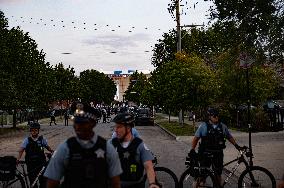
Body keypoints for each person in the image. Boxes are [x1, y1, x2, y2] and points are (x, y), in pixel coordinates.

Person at [44, 102, 122, 188]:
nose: (78, 127)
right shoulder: (65, 148)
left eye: (83, 123)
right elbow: (52, 182)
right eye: (76, 123)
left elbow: (116, 183)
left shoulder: (107, 148)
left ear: (93, 124)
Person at [190, 107, 242, 186]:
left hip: (218, 154)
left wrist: (236, 145)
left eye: (217, 115)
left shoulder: (223, 126)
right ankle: (199, 185)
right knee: (202, 175)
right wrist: (192, 150)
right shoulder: (203, 126)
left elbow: (229, 137)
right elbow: (196, 139)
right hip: (205, 153)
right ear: (209, 117)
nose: (216, 117)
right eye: (214, 116)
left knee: (218, 174)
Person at [110, 113, 159, 188]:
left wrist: (152, 183)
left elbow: (149, 167)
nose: (115, 130)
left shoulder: (139, 145)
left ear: (128, 128)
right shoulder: (111, 143)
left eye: (119, 127)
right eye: (115, 127)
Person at [17, 122, 54, 188]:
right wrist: (18, 159)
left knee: (43, 180)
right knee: (33, 181)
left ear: (38, 131)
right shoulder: (27, 140)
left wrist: (52, 151)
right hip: (30, 163)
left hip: (41, 163)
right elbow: (21, 150)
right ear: (30, 131)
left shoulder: (42, 139)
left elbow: (47, 147)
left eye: (36, 130)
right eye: (32, 130)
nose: (34, 132)